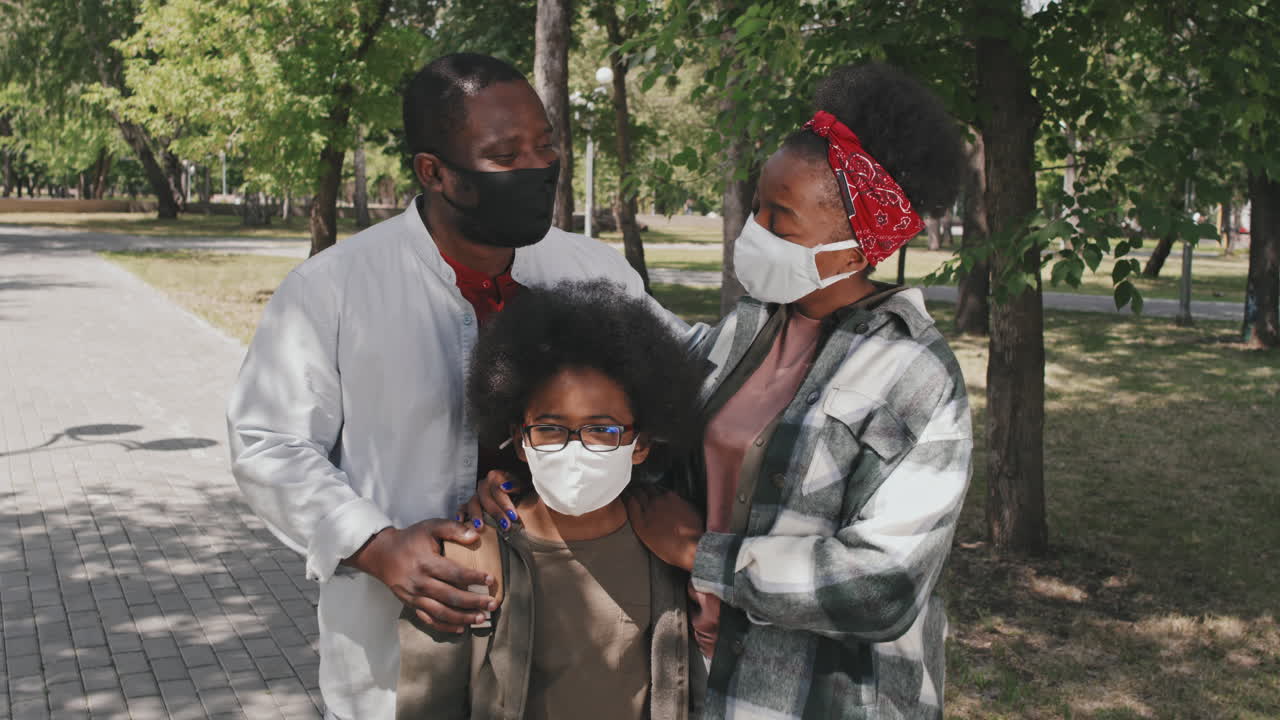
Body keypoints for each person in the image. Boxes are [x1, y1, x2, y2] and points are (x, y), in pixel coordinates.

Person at [478, 62, 972, 719]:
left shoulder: (916, 377)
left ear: (854, 252)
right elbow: (637, 416)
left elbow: (885, 587)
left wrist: (702, 555)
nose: (755, 228)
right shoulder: (750, 328)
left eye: (781, 218)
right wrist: (529, 475)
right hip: (710, 679)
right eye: (758, 204)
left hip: (824, 696)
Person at [225, 53, 665, 719]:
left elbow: (679, 389)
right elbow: (268, 445)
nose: (538, 166)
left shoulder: (593, 269)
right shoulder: (332, 291)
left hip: (580, 646)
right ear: (434, 172)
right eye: (505, 152)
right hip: (400, 658)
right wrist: (375, 546)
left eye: (545, 144)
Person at [397, 279, 706, 720]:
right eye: (550, 429)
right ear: (519, 440)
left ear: (641, 443)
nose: (574, 449)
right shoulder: (472, 558)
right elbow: (428, 702)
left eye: (602, 430)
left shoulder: (666, 545)